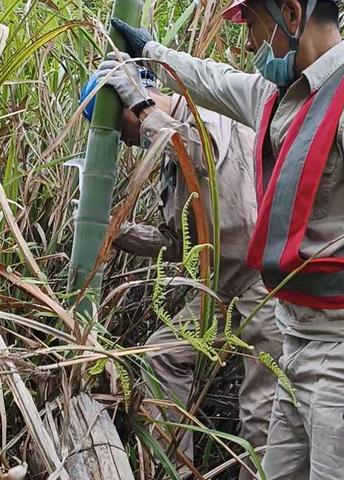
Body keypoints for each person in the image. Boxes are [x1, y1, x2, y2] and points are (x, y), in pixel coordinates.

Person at [108, 1, 344, 479]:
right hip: (296, 336)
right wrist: (151, 51)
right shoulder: (278, 96)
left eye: (254, 26)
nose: (248, 43)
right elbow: (214, 80)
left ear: (290, 12)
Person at [80, 60, 283, 480]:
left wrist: (140, 105)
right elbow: (179, 244)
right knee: (163, 356)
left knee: (263, 406)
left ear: (132, 99)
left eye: (121, 126)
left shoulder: (202, 113)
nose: (126, 140)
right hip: (222, 290)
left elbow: (195, 150)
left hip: (266, 282)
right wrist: (117, 232)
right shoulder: (166, 157)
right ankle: (176, 469)